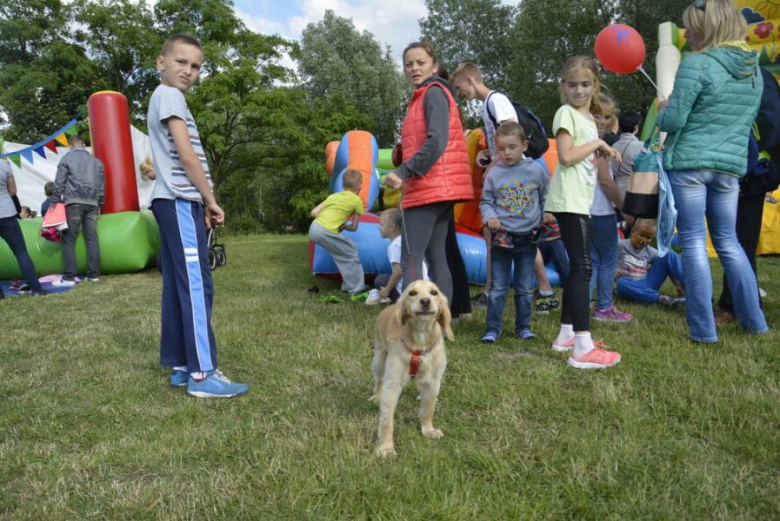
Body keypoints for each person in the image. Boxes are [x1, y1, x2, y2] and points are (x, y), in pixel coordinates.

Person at [658, 0, 767, 342]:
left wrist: (663, 109)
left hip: (690, 164)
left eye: (691, 27)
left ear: (709, 29)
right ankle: (755, 323)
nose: (686, 33)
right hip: (730, 168)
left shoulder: (697, 64)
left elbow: (674, 121)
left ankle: (703, 330)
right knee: (730, 243)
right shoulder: (754, 71)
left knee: (692, 242)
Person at [148, 33, 248, 398]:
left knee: (178, 285)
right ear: (161, 62)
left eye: (195, 66)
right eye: (180, 62)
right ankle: (203, 375)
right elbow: (187, 156)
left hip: (172, 201)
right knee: (195, 285)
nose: (188, 71)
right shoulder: (170, 96)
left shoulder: (164, 97)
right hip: (179, 200)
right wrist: (210, 199)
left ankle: (179, 365)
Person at [451, 61, 560, 313]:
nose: (460, 94)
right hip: (511, 175)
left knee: (517, 232)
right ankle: (523, 290)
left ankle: (533, 290)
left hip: (514, 179)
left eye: (459, 88)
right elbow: (504, 143)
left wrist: (492, 169)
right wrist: (488, 154)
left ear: (470, 81)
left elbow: (513, 136)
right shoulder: (490, 105)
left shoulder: (495, 100)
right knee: (501, 232)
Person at [544, 55, 622, 369]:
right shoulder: (566, 113)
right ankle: (582, 346)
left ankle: (565, 336)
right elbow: (565, 156)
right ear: (563, 86)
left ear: (595, 85)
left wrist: (597, 145)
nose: (579, 90)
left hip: (580, 200)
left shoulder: (588, 119)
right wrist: (597, 145)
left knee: (581, 266)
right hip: (569, 200)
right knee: (582, 267)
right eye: (572, 84)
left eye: (585, 84)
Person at [384, 40, 473, 305]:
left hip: (427, 188)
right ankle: (442, 320)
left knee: (410, 257)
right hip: (441, 188)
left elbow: (437, 141)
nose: (414, 68)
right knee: (436, 258)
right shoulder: (425, 95)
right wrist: (402, 152)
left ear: (434, 66)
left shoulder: (433, 92)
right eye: (408, 64)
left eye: (421, 62)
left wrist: (404, 169)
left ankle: (414, 323)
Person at [715, 65, 780, 323]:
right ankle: (740, 303)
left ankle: (738, 307)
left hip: (750, 171)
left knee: (739, 241)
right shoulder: (750, 73)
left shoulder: (753, 76)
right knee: (736, 240)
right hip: (741, 169)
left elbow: (770, 123)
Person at [479, 122, 549, 343]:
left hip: (528, 238)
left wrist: (547, 213)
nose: (506, 153)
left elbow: (547, 196)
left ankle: (523, 326)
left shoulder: (536, 171)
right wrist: (490, 216)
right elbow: (486, 201)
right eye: (501, 148)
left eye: (512, 147)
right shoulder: (494, 174)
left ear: (524, 145)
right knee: (498, 286)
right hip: (502, 238)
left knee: (524, 287)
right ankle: (492, 328)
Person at [589, 94, 632, 322]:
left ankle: (584, 304)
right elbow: (605, 180)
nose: (603, 121)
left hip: (584, 210)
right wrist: (623, 208)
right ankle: (604, 308)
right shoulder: (600, 146)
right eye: (598, 115)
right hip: (600, 210)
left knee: (593, 260)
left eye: (607, 116)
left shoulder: (581, 140)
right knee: (607, 260)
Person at [51, 134, 104, 286]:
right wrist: (99, 203)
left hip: (74, 202)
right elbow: (101, 186)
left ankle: (69, 277)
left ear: (70, 146)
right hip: (93, 203)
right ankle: (94, 275)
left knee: (68, 239)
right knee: (92, 239)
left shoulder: (66, 159)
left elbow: (59, 182)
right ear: (83, 144)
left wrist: (54, 200)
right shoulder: (96, 162)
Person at [309, 169, 366, 295]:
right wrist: (344, 226)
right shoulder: (357, 201)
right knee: (351, 251)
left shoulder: (333, 196)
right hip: (326, 231)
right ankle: (357, 289)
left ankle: (348, 285)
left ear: (342, 185)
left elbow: (313, 212)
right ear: (360, 185)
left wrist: (329, 218)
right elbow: (354, 227)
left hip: (314, 228)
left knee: (342, 254)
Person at [0, 154, 47, 297]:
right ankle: (36, 289)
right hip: (6, 213)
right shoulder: (4, 165)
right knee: (21, 253)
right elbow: (13, 191)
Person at [616, 218, 686, 308]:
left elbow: (667, 264)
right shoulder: (620, 246)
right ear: (633, 231)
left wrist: (677, 284)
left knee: (668, 254)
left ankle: (693, 289)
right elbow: (606, 263)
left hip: (648, 283)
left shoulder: (650, 251)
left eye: (649, 237)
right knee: (621, 283)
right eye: (642, 235)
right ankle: (661, 298)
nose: (644, 240)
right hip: (630, 285)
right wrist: (613, 271)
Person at [376, 208, 428, 303]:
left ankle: (393, 297)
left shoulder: (394, 246)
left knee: (379, 280)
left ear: (392, 227)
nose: (378, 227)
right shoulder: (407, 241)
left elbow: (399, 271)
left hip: (405, 292)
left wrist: (387, 290)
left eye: (381, 224)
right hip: (424, 287)